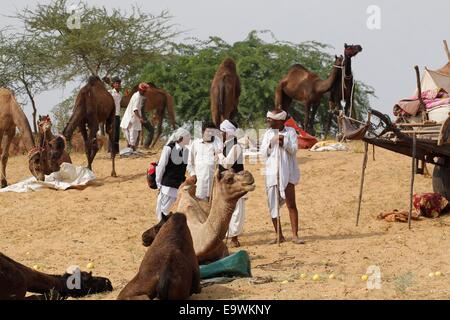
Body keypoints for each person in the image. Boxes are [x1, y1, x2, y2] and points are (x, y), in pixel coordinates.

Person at [260, 109, 304, 245]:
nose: (267, 121)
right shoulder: (267, 134)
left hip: (288, 172)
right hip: (272, 174)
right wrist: (271, 143)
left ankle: (295, 235)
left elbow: (294, 149)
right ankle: (279, 235)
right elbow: (262, 154)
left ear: (278, 121)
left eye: (270, 119)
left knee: (291, 204)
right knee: (273, 206)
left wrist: (283, 141)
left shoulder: (290, 132)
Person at [218, 119, 246, 248]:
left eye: (222, 132)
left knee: (237, 210)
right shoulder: (224, 146)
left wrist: (218, 154)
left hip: (235, 183)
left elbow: (227, 163)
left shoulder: (236, 146)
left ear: (227, 132)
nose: (219, 134)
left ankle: (234, 238)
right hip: (225, 183)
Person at [155, 128, 191, 221]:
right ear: (181, 138)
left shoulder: (186, 151)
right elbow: (161, 166)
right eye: (188, 137)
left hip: (178, 187)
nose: (189, 139)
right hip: (168, 186)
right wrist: (158, 183)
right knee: (163, 213)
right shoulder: (168, 148)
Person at [187, 122, 222, 201]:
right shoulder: (196, 143)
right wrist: (193, 175)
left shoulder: (218, 142)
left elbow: (222, 159)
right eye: (208, 131)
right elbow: (190, 163)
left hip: (214, 184)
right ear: (203, 132)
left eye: (212, 132)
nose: (210, 134)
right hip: (199, 184)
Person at [120, 82, 149, 150]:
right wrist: (140, 118)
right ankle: (131, 148)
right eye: (144, 91)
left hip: (132, 118)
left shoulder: (137, 95)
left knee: (131, 134)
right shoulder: (137, 97)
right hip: (132, 118)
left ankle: (131, 148)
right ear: (140, 90)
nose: (145, 92)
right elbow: (135, 109)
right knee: (132, 134)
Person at [108, 77, 122, 153]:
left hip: (118, 115)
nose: (118, 85)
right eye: (116, 83)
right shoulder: (110, 92)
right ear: (113, 84)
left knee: (117, 133)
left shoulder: (120, 94)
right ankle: (111, 150)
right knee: (112, 132)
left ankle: (116, 150)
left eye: (119, 83)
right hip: (111, 115)